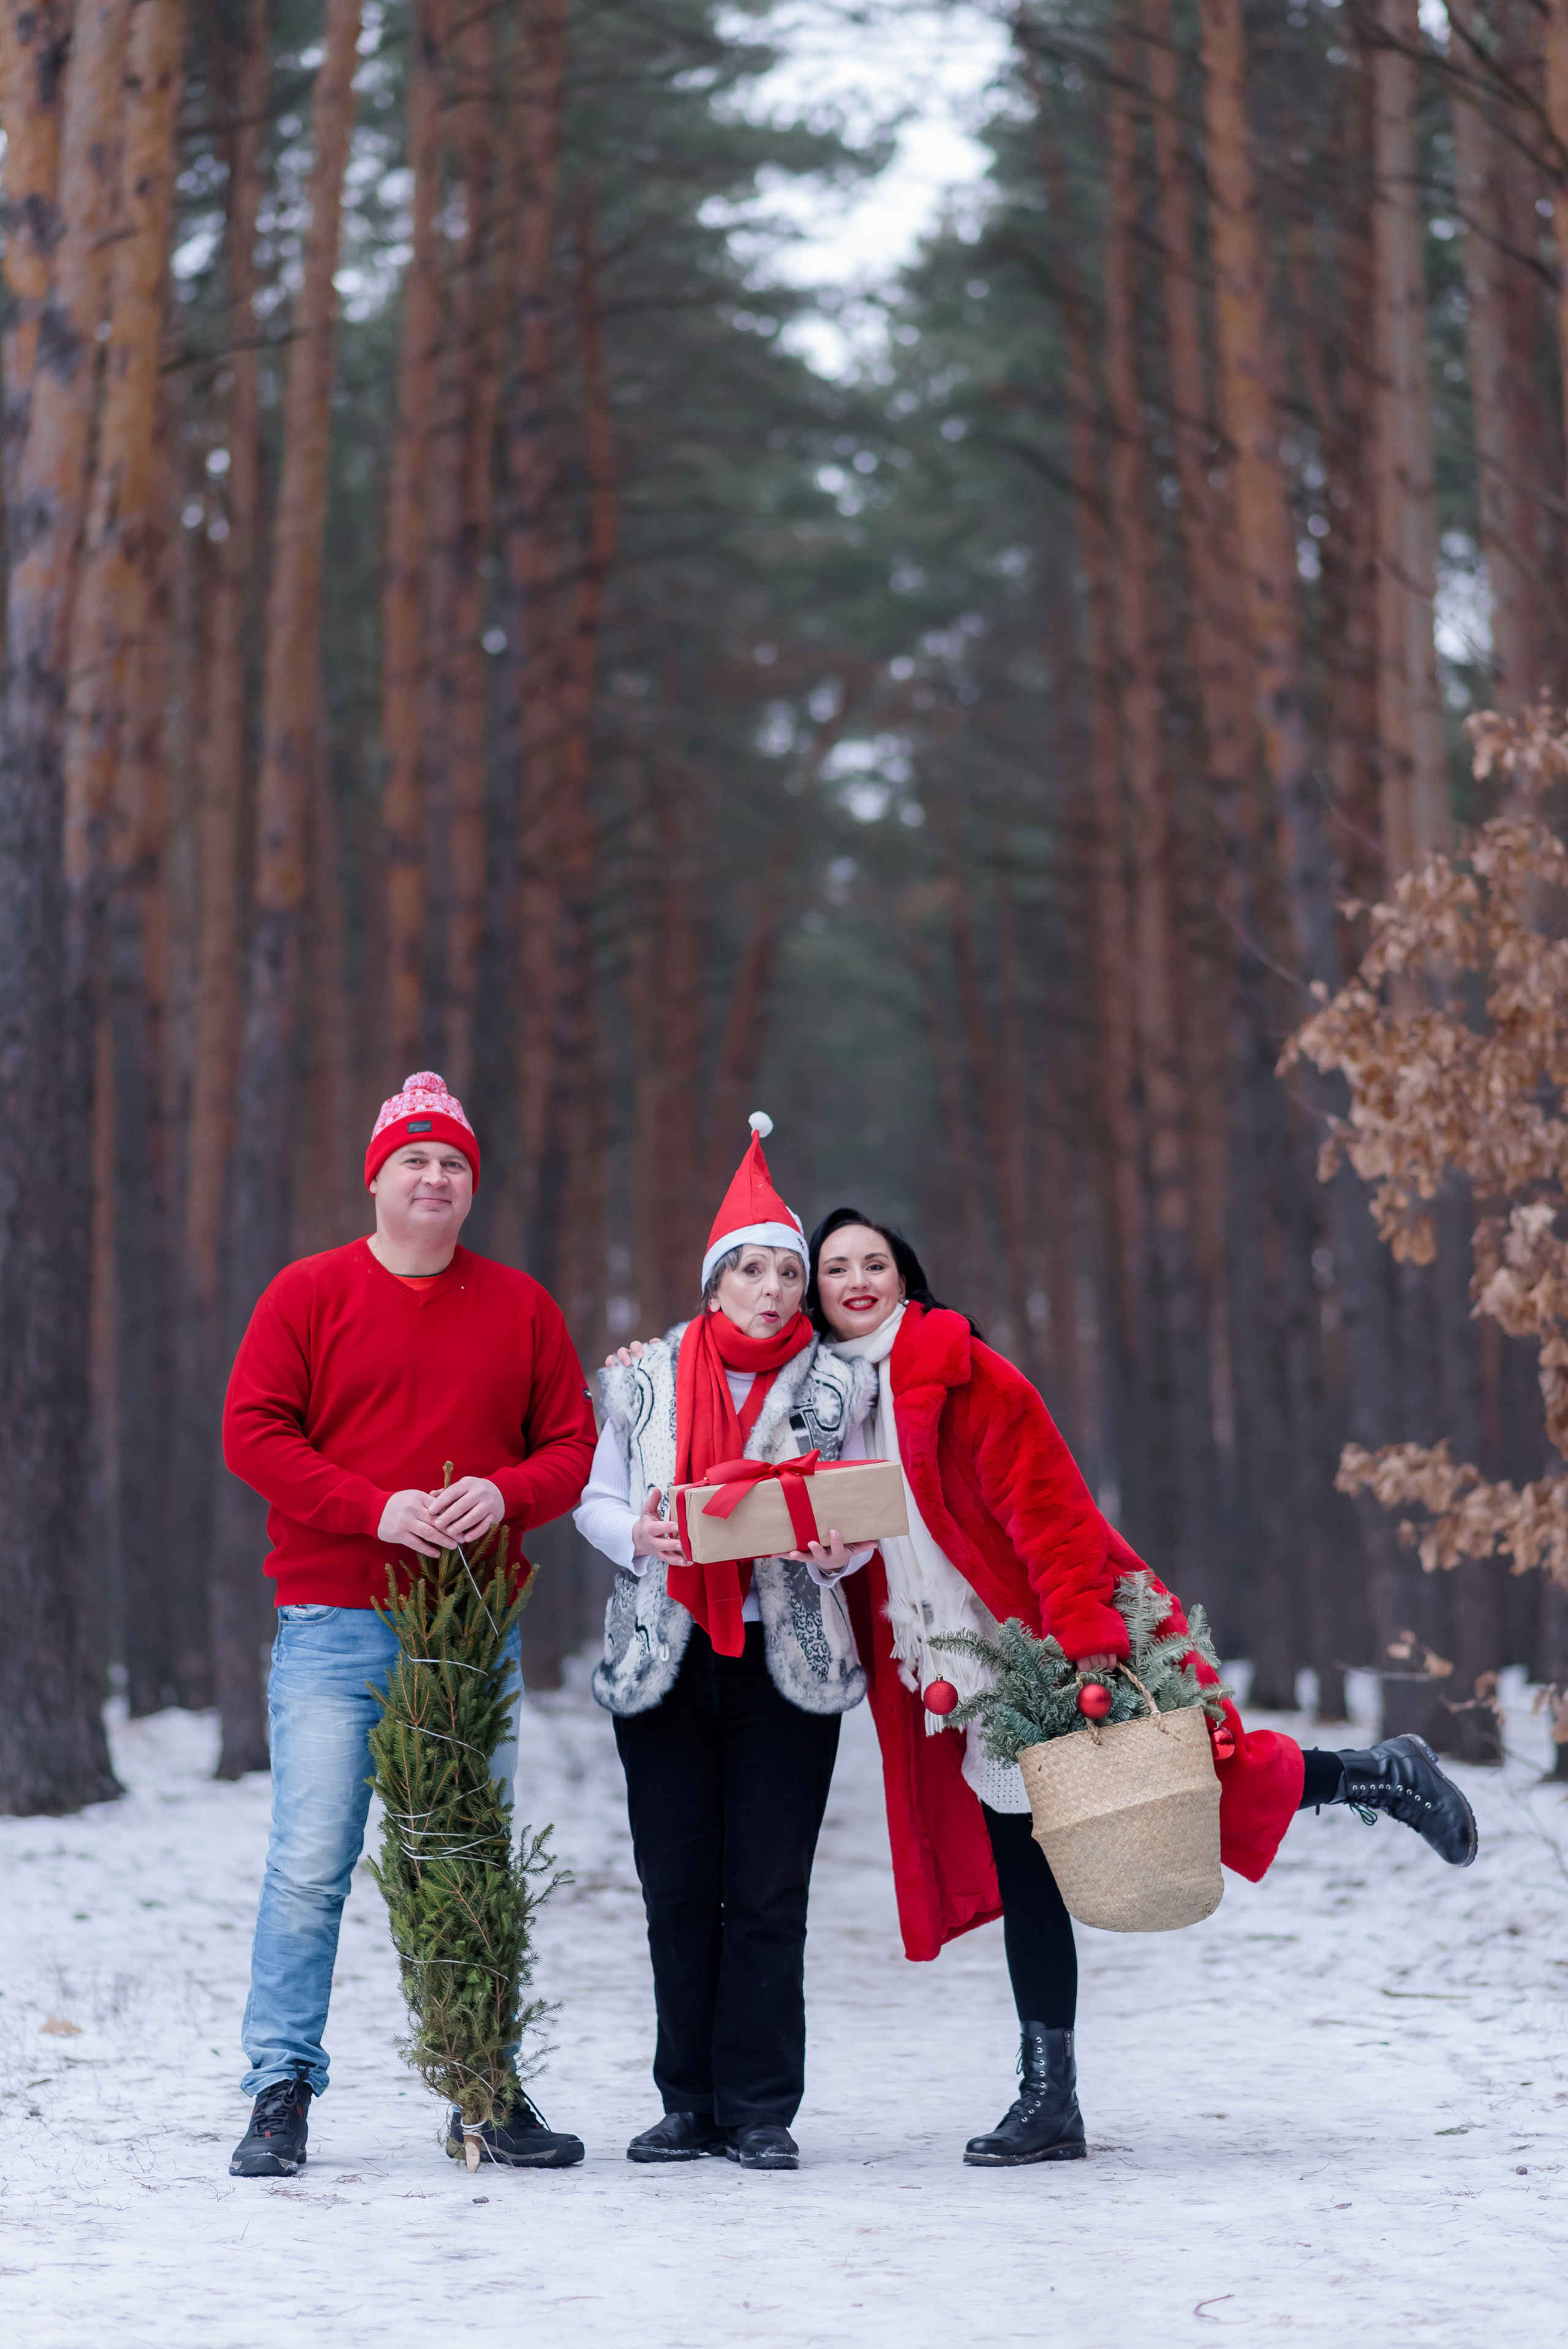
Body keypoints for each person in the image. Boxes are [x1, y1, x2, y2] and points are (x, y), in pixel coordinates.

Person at [803, 1207, 1479, 2170]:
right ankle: (1051, 2098)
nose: (857, 1279)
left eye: (874, 1261)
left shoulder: (966, 1373)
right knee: (1031, 1863)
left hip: (1046, 1632)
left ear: (906, 1276)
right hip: (961, 1670)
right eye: (836, 1267)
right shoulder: (829, 1406)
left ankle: (1379, 1774)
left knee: (1198, 1778)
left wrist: (1085, 1636)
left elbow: (1051, 1508)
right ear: (819, 1291)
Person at [221, 1072, 598, 2179]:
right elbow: (254, 1432)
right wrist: (372, 1507)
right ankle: (281, 2088)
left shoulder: (522, 1306)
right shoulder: (307, 1293)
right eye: (414, 1161)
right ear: (377, 1179)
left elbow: (571, 1446)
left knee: (468, 1859)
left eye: (453, 1164)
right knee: (310, 1863)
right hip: (334, 1622)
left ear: (471, 1187)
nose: (435, 1178)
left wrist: (506, 1491)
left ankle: (485, 2088)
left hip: (470, 1635)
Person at [576, 1116, 876, 2172]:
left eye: (788, 1272)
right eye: (751, 1269)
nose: (772, 1289)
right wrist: (641, 1534)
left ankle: (758, 2107)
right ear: (715, 1284)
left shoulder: (836, 1387)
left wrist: (835, 1554)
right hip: (665, 1658)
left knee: (768, 1892)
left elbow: (859, 1514)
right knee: (675, 1888)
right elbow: (595, 1500)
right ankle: (687, 2101)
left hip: (786, 1665)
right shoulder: (645, 1379)